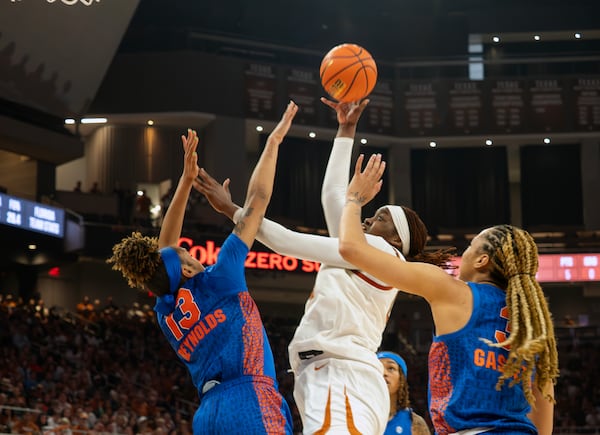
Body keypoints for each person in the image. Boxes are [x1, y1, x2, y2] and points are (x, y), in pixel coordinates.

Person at [194, 98, 453, 434]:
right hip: (338, 373)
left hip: (341, 373)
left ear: (396, 240)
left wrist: (233, 211)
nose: (372, 217)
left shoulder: (379, 251)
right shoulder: (365, 253)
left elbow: (287, 241)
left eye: (383, 217)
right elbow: (332, 196)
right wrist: (346, 130)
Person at [107, 100, 298, 435]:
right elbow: (258, 200)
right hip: (248, 398)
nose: (191, 252)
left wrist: (186, 181)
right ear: (189, 270)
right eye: (187, 253)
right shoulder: (221, 278)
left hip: (207, 414)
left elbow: (164, 253)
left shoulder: (166, 310)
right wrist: (273, 143)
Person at [338, 153, 559, 435]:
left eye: (470, 246)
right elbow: (544, 427)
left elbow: (350, 249)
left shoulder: (453, 291)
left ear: (482, 261)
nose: (464, 253)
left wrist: (353, 199)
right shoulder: (535, 328)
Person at [377, 351, 431, 435]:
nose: (383, 373)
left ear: (401, 379)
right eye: (378, 368)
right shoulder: (358, 416)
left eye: (391, 368)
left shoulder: (414, 422)